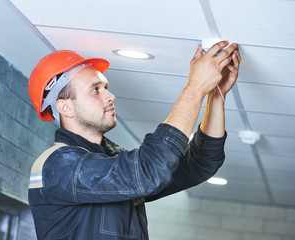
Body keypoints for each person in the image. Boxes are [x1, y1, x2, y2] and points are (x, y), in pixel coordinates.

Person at [27, 41, 241, 240]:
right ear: (66, 107)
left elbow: (199, 165)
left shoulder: (111, 161)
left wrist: (215, 96)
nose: (110, 96)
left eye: (105, 87)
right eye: (95, 89)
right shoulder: (58, 167)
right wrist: (194, 88)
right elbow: (148, 171)